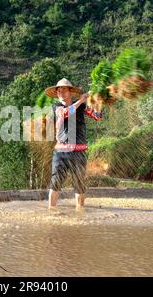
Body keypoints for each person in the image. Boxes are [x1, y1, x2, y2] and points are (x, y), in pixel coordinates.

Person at [44, 78, 103, 210]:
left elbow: (97, 116)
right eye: (58, 91)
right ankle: (52, 211)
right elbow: (66, 113)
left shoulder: (82, 106)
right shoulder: (56, 107)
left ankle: (80, 211)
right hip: (61, 153)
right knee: (55, 182)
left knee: (79, 184)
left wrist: (97, 101)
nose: (61, 93)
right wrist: (81, 100)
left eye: (64, 90)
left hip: (79, 152)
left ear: (70, 92)